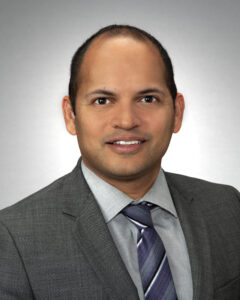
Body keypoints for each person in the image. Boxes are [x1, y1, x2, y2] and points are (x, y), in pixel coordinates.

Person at [0, 25, 239, 300]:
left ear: (177, 112)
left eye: (148, 99)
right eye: (103, 100)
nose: (126, 120)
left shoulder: (228, 207)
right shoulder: (12, 237)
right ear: (70, 115)